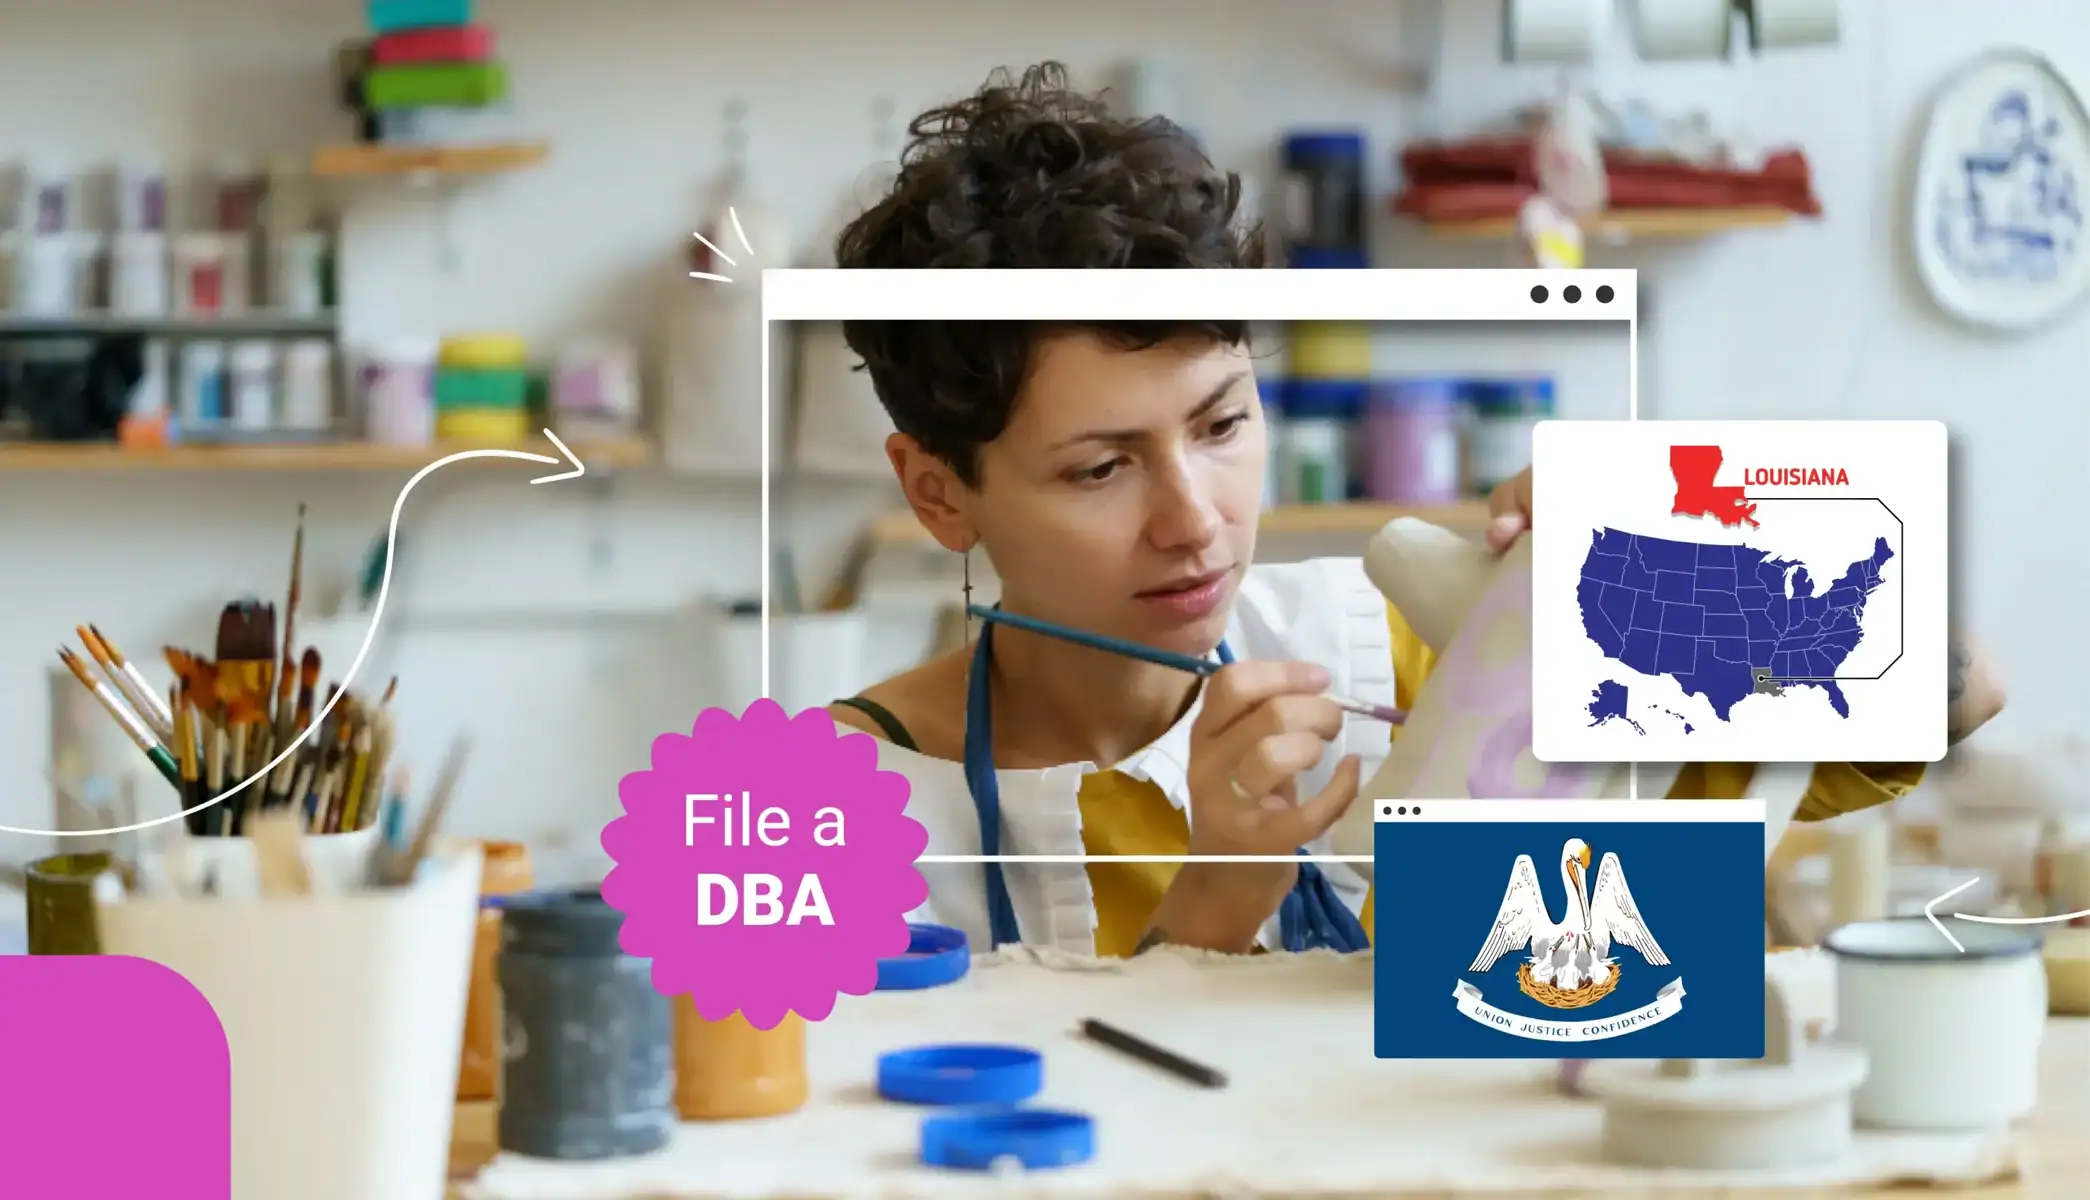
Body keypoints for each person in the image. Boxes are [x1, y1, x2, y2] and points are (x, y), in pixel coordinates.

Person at [827, 62, 2005, 959]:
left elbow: (1957, 690)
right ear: (938, 492)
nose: (1194, 522)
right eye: (1099, 469)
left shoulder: (1401, 653)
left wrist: (1689, 549)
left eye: (1221, 425)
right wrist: (1215, 902)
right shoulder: (834, 808)